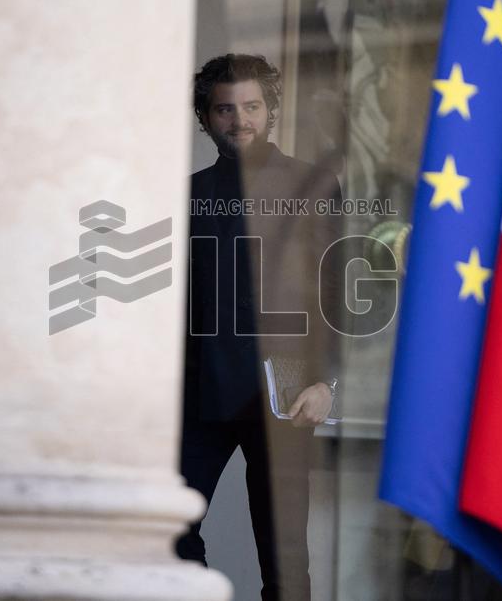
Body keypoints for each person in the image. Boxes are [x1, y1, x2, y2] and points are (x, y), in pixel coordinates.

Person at [177, 53, 343, 601]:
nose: (239, 120)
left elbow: (335, 292)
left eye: (251, 107)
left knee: (284, 556)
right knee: (169, 532)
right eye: (225, 109)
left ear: (271, 110)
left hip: (286, 393)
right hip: (200, 390)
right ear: (205, 117)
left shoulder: (313, 184)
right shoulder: (186, 193)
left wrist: (327, 382)